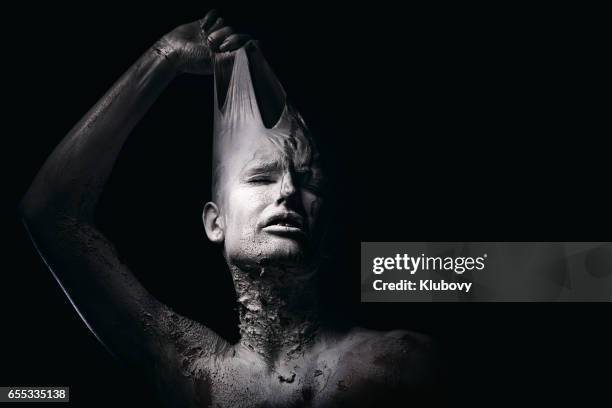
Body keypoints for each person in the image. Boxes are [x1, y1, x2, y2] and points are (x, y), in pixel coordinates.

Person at [20, 10, 439, 407]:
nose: (289, 190)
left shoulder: (404, 362)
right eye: (261, 178)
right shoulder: (190, 369)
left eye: (311, 183)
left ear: (326, 225)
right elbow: (50, 213)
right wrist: (165, 55)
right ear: (214, 222)